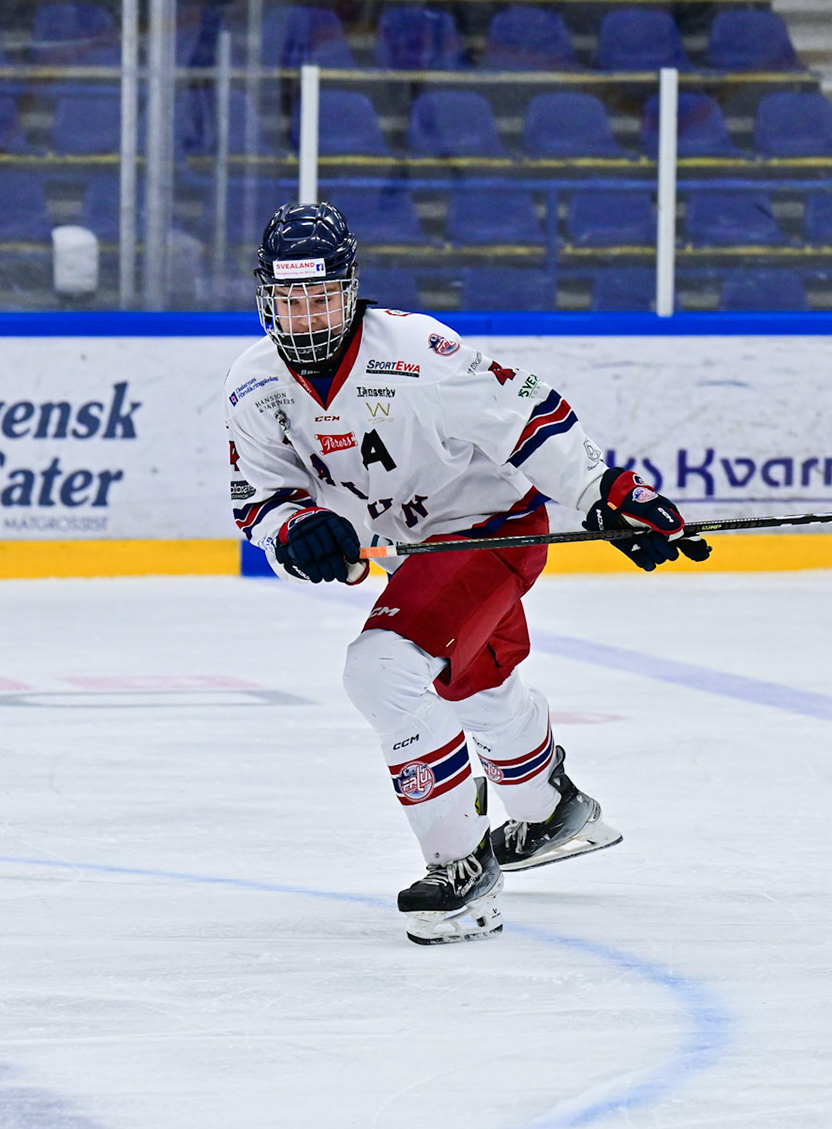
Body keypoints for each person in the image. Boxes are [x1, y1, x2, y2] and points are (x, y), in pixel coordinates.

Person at [223, 202, 712, 945]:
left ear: (350, 290)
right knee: (473, 682)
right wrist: (295, 529)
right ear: (266, 299)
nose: (307, 316)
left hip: (492, 529)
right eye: (291, 299)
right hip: (419, 550)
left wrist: (603, 493)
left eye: (322, 296)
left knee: (383, 668)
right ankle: (551, 811)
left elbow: (528, 415)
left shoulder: (417, 350)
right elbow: (260, 497)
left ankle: (461, 868)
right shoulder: (254, 384)